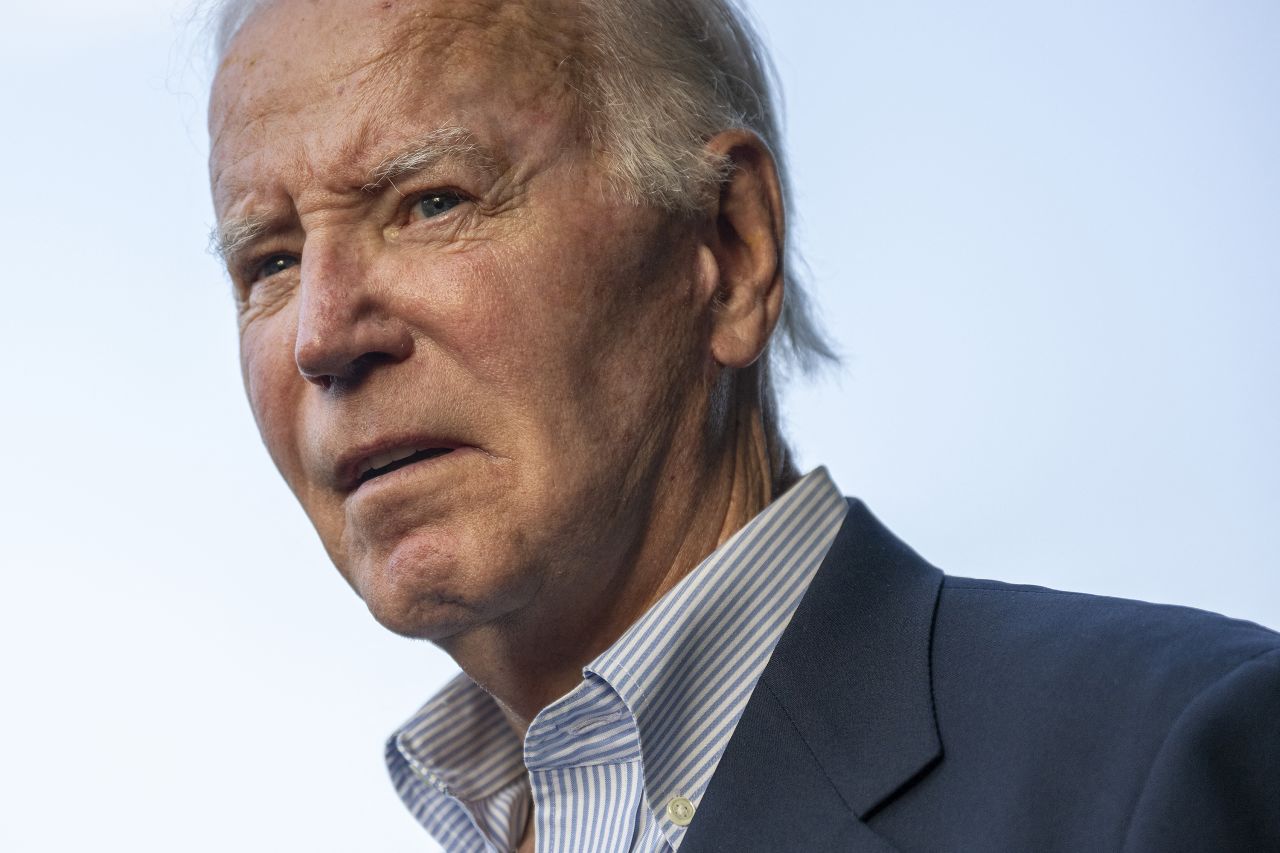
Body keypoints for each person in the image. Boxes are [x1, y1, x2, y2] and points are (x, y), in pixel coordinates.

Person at [205, 0, 1280, 850]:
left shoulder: (1178, 763)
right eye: (270, 260)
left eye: (431, 202)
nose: (322, 333)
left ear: (727, 247)